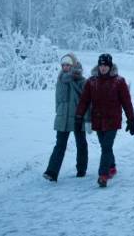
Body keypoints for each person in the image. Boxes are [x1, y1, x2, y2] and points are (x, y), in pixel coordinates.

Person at [75, 52, 134, 188]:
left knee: (106, 147)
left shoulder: (119, 82)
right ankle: (112, 166)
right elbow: (84, 100)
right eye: (101, 65)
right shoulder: (92, 81)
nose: (103, 68)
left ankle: (103, 175)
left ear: (110, 66)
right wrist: (79, 116)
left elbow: (126, 102)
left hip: (112, 120)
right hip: (97, 119)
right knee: (105, 146)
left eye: (105, 65)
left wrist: (131, 120)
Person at [43, 53, 89, 181]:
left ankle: (81, 170)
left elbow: (87, 100)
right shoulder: (60, 80)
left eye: (68, 65)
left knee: (81, 144)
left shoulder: (81, 80)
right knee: (60, 145)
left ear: (73, 65)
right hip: (62, 118)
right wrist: (59, 111)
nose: (65, 67)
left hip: (77, 117)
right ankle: (52, 172)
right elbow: (58, 100)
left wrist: (87, 118)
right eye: (63, 65)